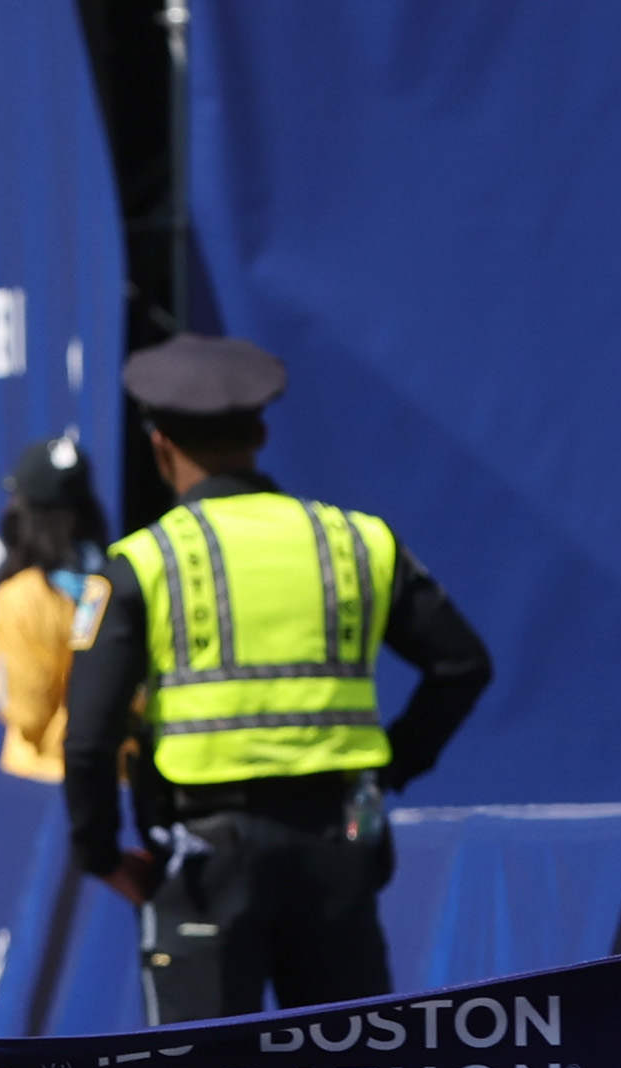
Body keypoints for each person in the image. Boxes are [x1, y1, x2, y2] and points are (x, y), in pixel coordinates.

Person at [63, 336, 493, 1022]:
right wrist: (389, 771)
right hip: (337, 849)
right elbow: (463, 665)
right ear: (262, 433)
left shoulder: (143, 563)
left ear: (159, 443)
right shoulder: (357, 542)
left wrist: (98, 854)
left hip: (205, 860)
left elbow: (88, 735)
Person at [0, 438, 110, 783]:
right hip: (114, 777)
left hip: (41, 782)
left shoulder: (21, 596)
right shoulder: (114, 581)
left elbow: (29, 716)